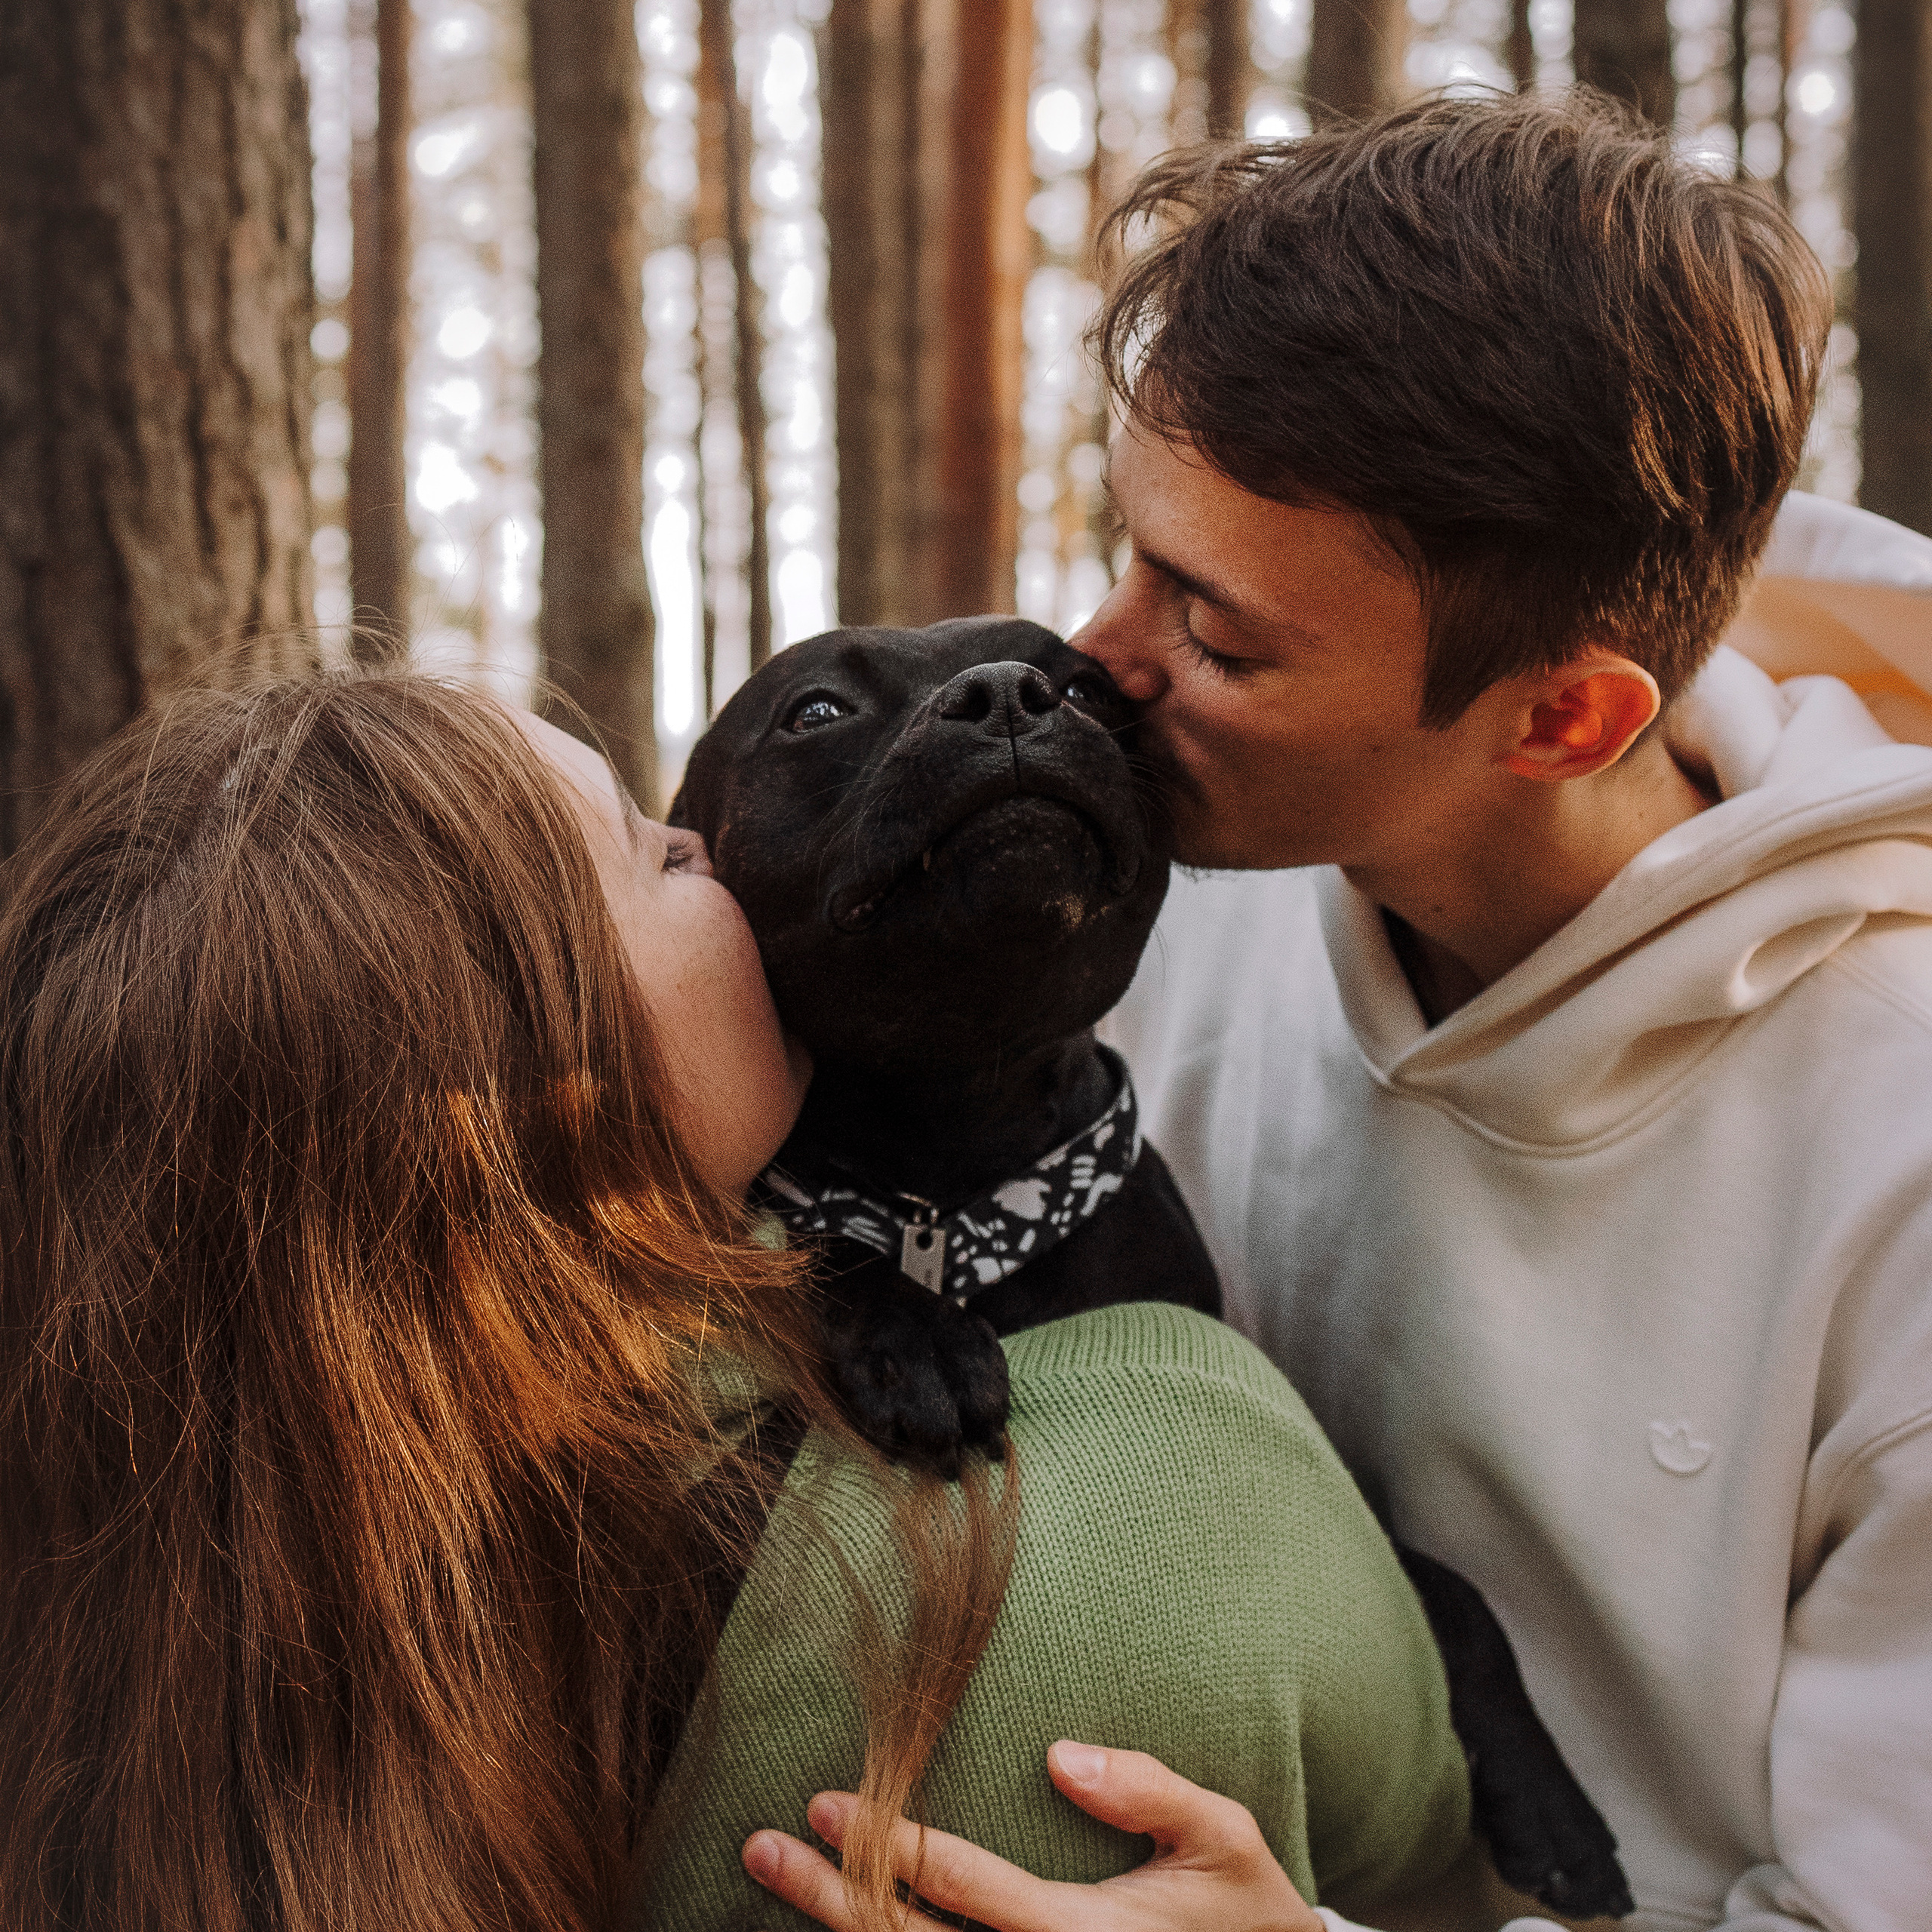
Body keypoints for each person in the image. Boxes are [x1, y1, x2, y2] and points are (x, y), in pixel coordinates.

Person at [748, 90, 1932, 1932]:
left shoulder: (1896, 1162)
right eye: (1127, 548)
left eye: (1215, 636)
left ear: (1559, 721)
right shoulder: (1184, 870)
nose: (1096, 665)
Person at [0, 669, 1476, 1932]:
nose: (705, 849)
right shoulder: (1146, 1474)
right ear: (545, 1096)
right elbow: (1447, 1844)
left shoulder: (108, 1673)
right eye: (655, 856)